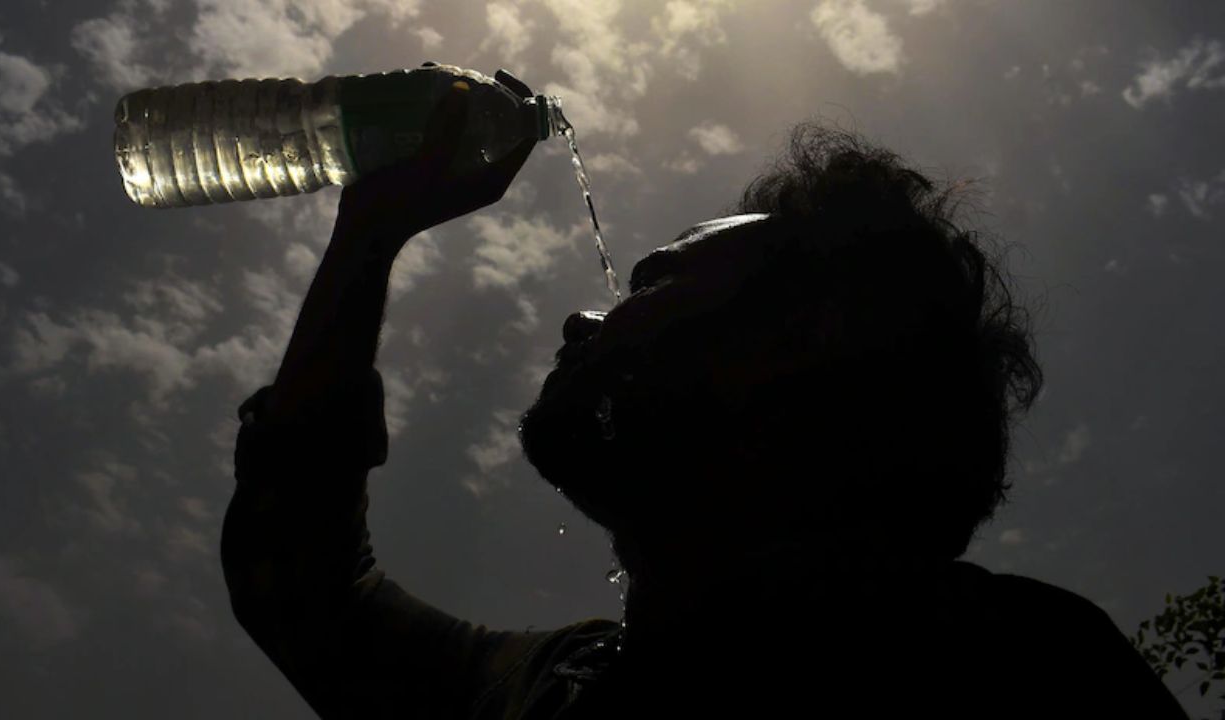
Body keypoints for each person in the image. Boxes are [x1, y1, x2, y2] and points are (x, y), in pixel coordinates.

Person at [220, 83, 1190, 719]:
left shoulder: (1008, 671)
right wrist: (369, 233)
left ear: (805, 344)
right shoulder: (558, 688)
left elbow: (303, 590)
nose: (580, 317)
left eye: (650, 282)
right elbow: (302, 586)